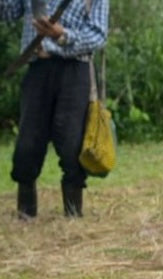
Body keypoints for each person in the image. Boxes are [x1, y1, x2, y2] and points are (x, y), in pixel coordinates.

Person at [0, 0, 109, 219]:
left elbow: (98, 35)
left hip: (75, 70)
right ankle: (25, 214)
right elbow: (6, 12)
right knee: (27, 143)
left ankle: (73, 214)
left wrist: (62, 35)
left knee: (71, 142)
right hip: (38, 68)